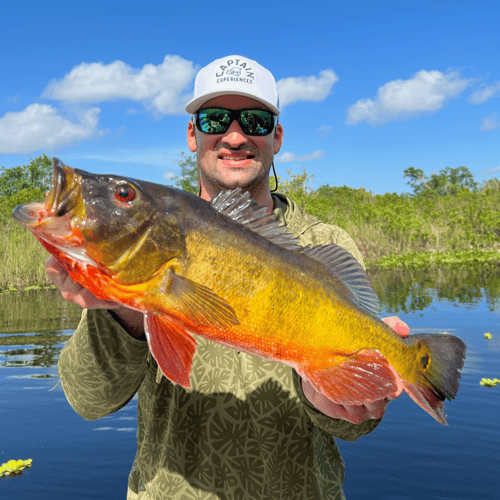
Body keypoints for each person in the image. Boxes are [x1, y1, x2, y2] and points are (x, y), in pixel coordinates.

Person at [48, 55, 409, 500]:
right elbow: (90, 400)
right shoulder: (138, 255)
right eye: (216, 118)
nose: (235, 136)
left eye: (255, 121)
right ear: (192, 133)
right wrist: (126, 309)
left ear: (276, 137)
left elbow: (356, 424)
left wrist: (337, 402)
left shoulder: (322, 244)